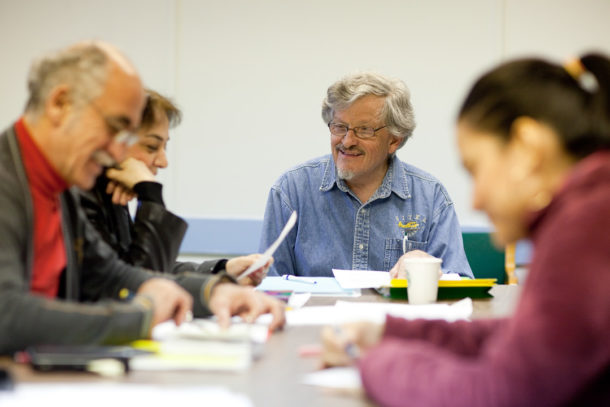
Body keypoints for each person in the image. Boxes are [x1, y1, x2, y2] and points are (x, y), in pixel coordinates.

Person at [320, 53, 610, 406]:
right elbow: (521, 339)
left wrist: (370, 361)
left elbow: (496, 395)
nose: (476, 200)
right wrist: (387, 331)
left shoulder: (587, 229)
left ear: (528, 149)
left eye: (476, 169)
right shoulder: (590, 211)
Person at [0, 41, 284, 356]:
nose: (119, 153)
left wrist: (213, 292)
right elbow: (7, 315)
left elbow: (111, 274)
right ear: (60, 104)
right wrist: (140, 317)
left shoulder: (58, 186)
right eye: (115, 128)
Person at [259, 72, 473, 278]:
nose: (347, 141)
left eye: (364, 130)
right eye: (339, 127)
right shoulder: (292, 190)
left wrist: (427, 267)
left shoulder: (430, 197)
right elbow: (268, 284)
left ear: (394, 140)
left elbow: (462, 285)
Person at [78, 89, 267, 286]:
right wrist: (150, 192)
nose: (163, 162)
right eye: (152, 147)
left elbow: (146, 269)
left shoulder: (112, 196)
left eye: (164, 147)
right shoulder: (81, 199)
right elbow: (140, 285)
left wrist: (222, 271)